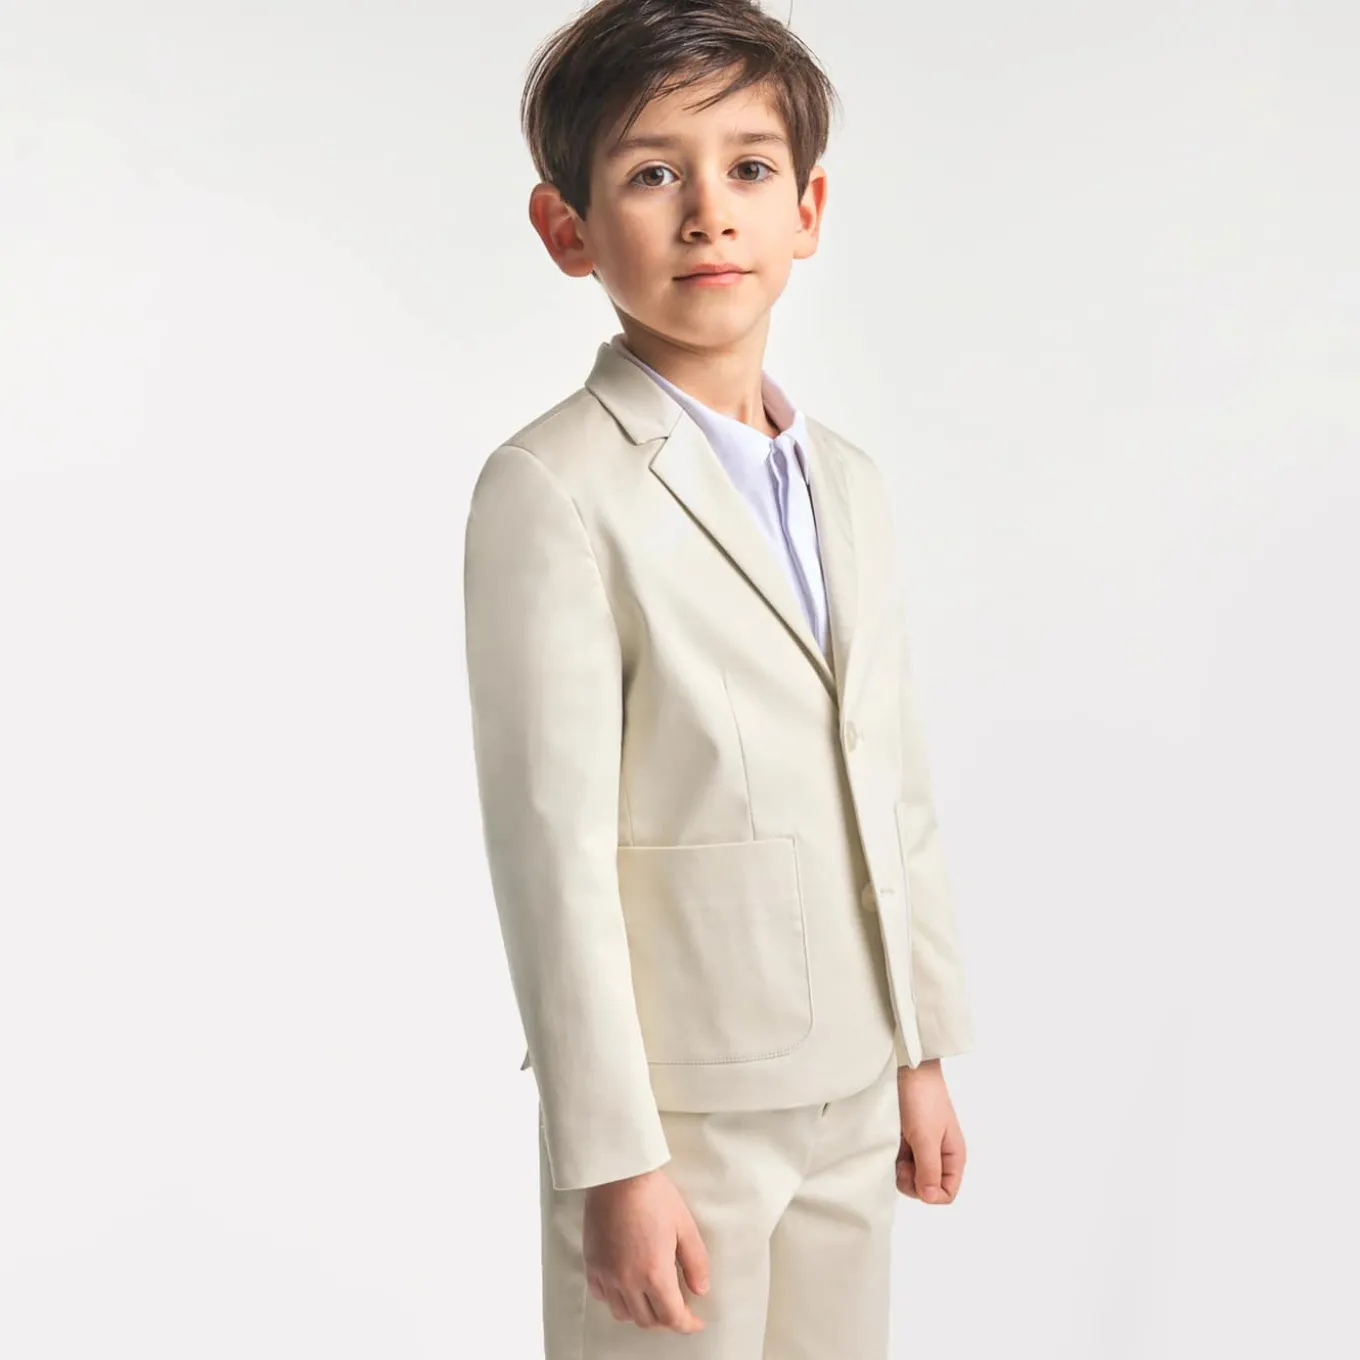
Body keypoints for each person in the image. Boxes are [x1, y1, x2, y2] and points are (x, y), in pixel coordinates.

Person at [462, 2, 976, 1354]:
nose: (708, 214)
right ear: (567, 229)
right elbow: (551, 852)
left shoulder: (848, 483)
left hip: (854, 1083)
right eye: (651, 173)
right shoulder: (553, 488)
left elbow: (892, 782)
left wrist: (919, 1052)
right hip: (681, 1119)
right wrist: (612, 1158)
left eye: (749, 168)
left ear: (807, 210)